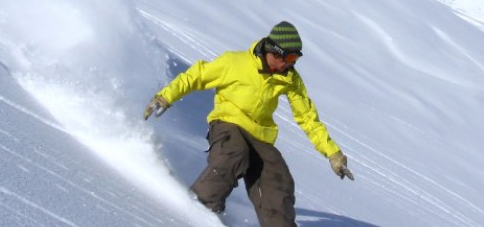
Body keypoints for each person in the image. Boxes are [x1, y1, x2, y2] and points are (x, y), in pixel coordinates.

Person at [144, 21, 353, 226]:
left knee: (279, 179)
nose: (291, 63)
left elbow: (307, 117)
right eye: (289, 57)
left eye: (296, 58)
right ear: (274, 51)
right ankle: (196, 210)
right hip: (228, 123)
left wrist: (333, 154)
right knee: (235, 154)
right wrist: (165, 97)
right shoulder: (235, 63)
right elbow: (196, 75)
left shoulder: (289, 78)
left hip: (260, 136)